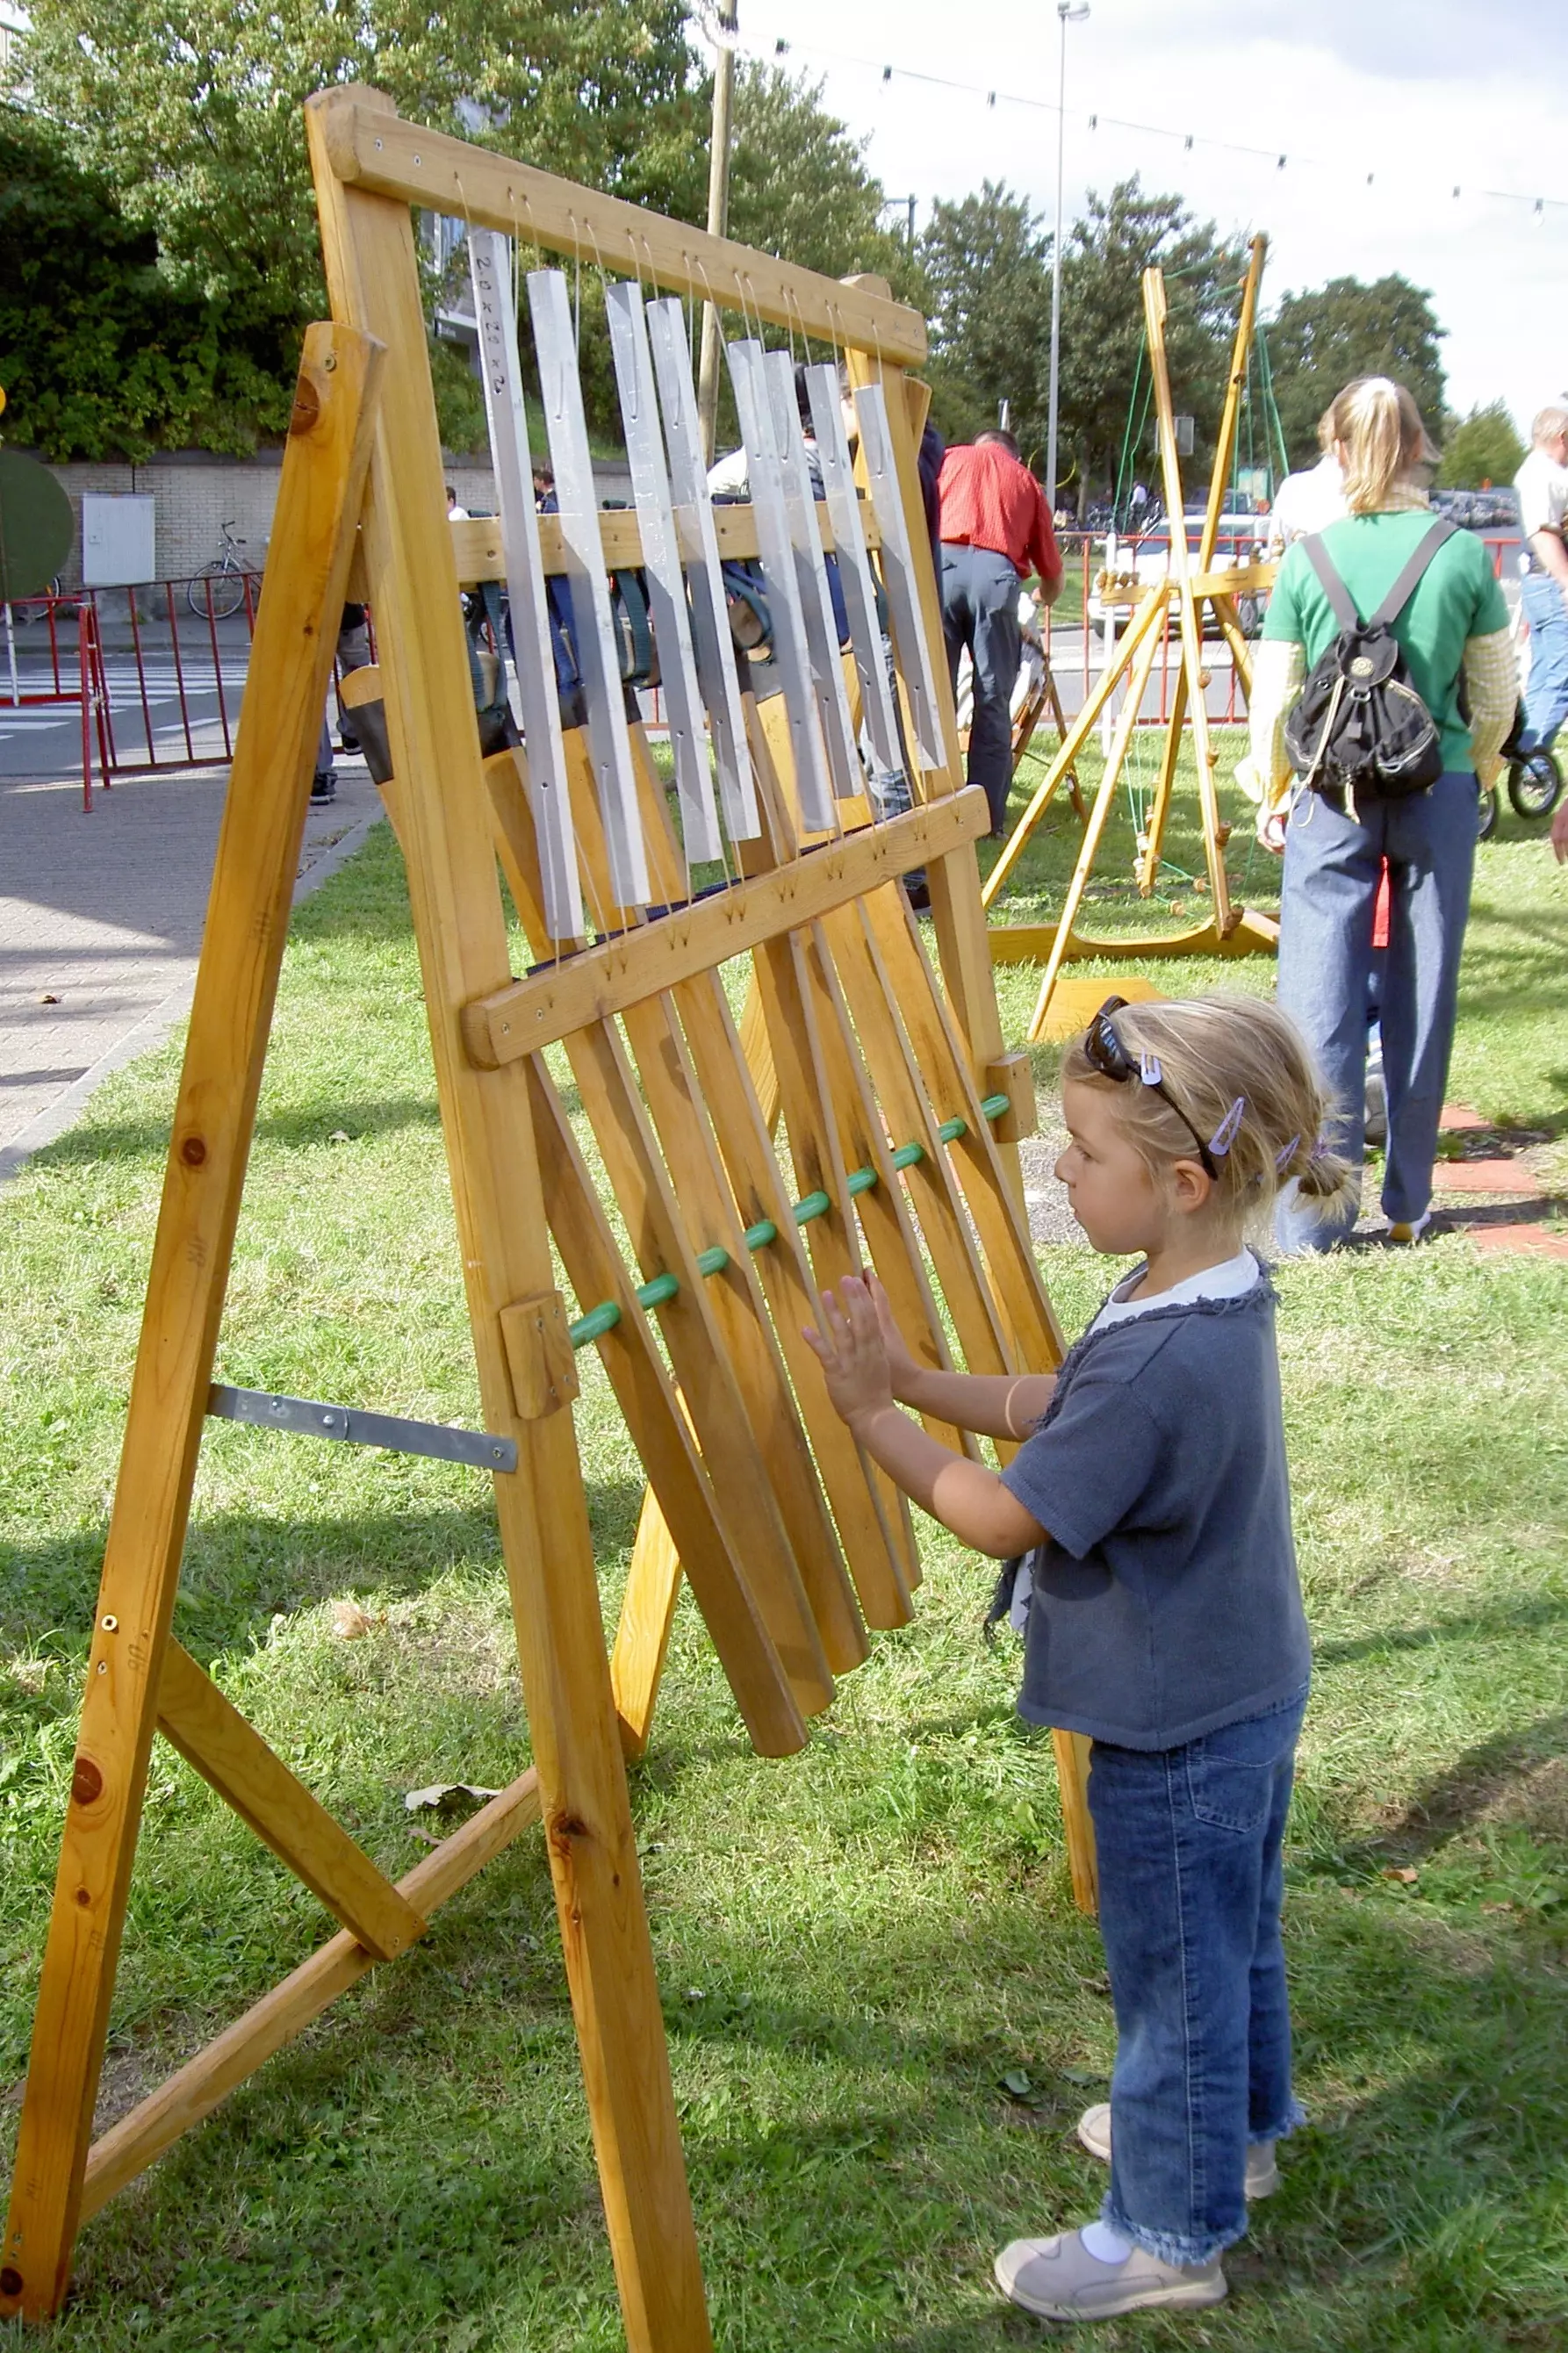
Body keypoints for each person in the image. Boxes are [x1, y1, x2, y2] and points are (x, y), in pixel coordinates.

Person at [804, 993, 1343, 2323]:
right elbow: (1057, 1401)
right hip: (1244, 1690)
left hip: (1172, 1731)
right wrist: (927, 1381)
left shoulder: (1160, 1362)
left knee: (1171, 1979)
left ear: (1176, 1180)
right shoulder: (1200, 1289)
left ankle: (1167, 2233)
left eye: (1083, 1155)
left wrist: (874, 1416)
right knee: (1233, 1943)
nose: (1058, 1168)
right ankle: (1240, 2137)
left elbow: (1000, 1510)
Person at [1248, 376, 1515, 1249]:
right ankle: (1406, 1202)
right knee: (1422, 994)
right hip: (1433, 788)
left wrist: (1271, 786)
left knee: (1313, 1003)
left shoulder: (1305, 558)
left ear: (1332, 447)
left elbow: (1274, 696)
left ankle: (1312, 1217)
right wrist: (1469, 773)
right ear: (1416, 448)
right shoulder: (1463, 554)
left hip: (1331, 793)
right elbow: (1495, 697)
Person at [935, 428, 1063, 836]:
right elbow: (1053, 574)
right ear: (1015, 454)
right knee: (992, 697)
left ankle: (927, 806)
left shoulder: (948, 459)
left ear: (979, 444)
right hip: (996, 580)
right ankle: (986, 819)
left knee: (932, 693)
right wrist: (1042, 597)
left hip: (941, 569)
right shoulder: (1025, 481)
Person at [1512, 406, 1568, 764]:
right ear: (1563, 438)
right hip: (1552, 581)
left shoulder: (1535, 472)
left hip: (1540, 583)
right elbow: (1543, 535)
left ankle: (1525, 753)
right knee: (1561, 677)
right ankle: (1533, 761)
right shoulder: (1543, 475)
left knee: (1544, 672)